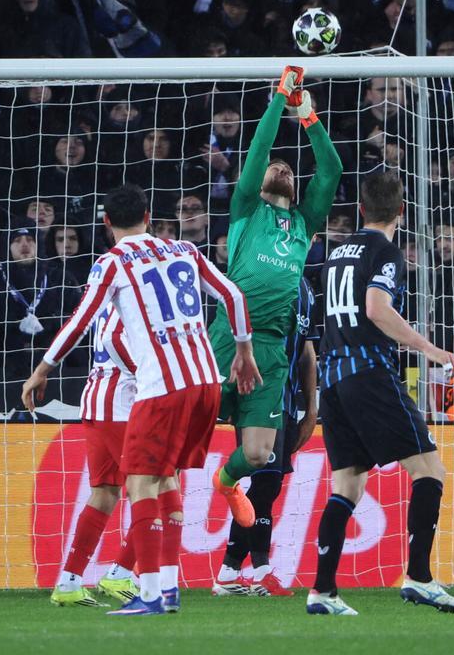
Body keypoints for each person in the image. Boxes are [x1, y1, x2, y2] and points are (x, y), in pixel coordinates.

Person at [23, 183, 260, 617]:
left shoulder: (112, 262)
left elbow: (82, 320)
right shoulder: (185, 249)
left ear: (106, 222)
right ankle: (164, 590)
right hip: (206, 381)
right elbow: (234, 295)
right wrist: (243, 350)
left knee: (141, 484)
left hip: (159, 388)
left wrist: (43, 368)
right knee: (164, 481)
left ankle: (147, 593)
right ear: (149, 216)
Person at [308, 170, 454, 616]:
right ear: (401, 211)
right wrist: (429, 348)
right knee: (429, 471)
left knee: (347, 485)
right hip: (369, 374)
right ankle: (419, 577)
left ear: (361, 209)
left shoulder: (338, 253)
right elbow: (377, 309)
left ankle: (322, 591)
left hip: (333, 378)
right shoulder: (387, 252)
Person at [208, 66, 342, 535]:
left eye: (287, 167)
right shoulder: (246, 207)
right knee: (187, 431)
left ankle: (226, 484)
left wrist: (305, 112)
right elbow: (259, 149)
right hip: (227, 335)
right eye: (273, 166)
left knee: (261, 454)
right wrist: (277, 99)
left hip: (270, 348)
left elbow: (331, 170)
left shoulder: (305, 223)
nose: (280, 165)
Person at [21, 215, 141, 609]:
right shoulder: (137, 279)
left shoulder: (106, 278)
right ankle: (121, 576)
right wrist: (150, 377)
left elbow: (92, 329)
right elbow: (119, 338)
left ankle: (69, 581)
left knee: (104, 493)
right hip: (124, 400)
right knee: (161, 485)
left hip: (95, 398)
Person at [213, 276, 319, 597]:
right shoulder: (260, 275)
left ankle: (234, 571)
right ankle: (255, 570)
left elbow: (307, 353)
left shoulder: (308, 291)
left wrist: (311, 409)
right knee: (264, 483)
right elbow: (233, 334)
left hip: (286, 401)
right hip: (256, 395)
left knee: (268, 486)